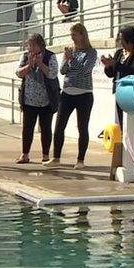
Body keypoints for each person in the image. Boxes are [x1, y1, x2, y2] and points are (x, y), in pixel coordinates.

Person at [48, 23, 98, 169]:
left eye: (74, 35)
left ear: (82, 35)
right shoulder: (70, 51)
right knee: (59, 126)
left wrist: (72, 60)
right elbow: (63, 70)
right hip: (67, 93)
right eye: (71, 35)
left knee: (82, 127)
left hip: (84, 94)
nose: (73, 38)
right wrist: (68, 58)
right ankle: (56, 157)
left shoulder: (91, 52)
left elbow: (85, 70)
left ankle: (80, 160)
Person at [101, 27, 134, 165]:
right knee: (124, 127)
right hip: (120, 93)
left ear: (130, 40)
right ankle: (127, 156)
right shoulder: (119, 53)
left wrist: (117, 65)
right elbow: (111, 74)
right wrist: (108, 66)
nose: (121, 42)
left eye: (123, 39)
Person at [16, 33, 59, 164]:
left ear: (40, 45)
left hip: (46, 99)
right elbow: (18, 73)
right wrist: (29, 66)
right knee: (27, 128)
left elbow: (52, 74)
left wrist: (40, 64)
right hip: (29, 99)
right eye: (29, 45)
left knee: (46, 127)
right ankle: (25, 154)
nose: (30, 48)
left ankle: (45, 155)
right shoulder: (25, 56)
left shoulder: (50, 56)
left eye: (32, 45)